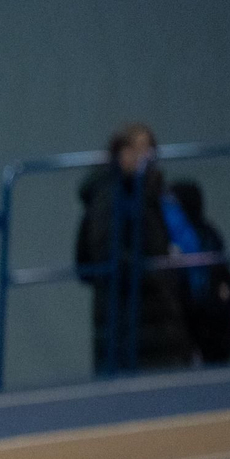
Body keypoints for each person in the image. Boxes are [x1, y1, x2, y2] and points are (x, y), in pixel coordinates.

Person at [73, 124, 192, 373]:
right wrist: (153, 275)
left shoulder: (153, 194)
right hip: (126, 317)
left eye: (149, 149)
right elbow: (106, 254)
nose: (144, 157)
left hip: (155, 318)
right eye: (137, 149)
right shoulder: (108, 195)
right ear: (120, 152)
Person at [165, 180, 230, 364]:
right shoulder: (170, 238)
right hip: (187, 325)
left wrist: (223, 300)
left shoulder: (208, 235)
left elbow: (223, 278)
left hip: (214, 326)